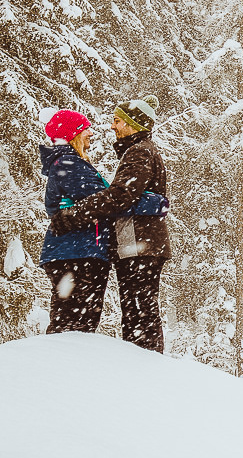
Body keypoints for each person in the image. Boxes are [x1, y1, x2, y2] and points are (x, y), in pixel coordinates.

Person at [52, 96, 170, 352]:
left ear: (133, 124)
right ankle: (145, 358)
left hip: (138, 244)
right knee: (139, 309)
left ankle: (145, 361)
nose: (112, 126)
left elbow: (119, 196)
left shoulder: (139, 152)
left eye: (117, 121)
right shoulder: (141, 151)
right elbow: (129, 196)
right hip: (140, 243)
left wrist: (74, 214)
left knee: (139, 311)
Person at [38, 108, 112, 334]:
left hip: (72, 251)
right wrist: (144, 200)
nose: (91, 133)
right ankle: (63, 354)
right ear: (73, 134)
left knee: (70, 319)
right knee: (76, 323)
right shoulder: (69, 163)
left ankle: (62, 352)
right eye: (85, 129)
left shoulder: (67, 163)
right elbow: (104, 200)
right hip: (77, 252)